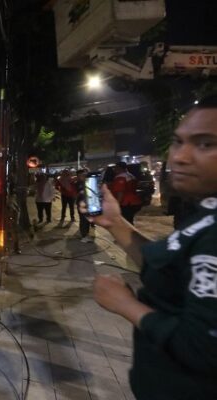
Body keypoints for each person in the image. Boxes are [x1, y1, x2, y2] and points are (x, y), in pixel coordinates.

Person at [87, 95, 217, 400]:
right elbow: (168, 267)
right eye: (177, 142)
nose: (180, 157)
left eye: (205, 144)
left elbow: (202, 349)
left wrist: (125, 305)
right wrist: (116, 223)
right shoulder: (203, 211)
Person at [74, 168, 95, 242]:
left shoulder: (85, 182)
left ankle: (85, 234)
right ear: (78, 176)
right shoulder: (78, 184)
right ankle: (84, 236)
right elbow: (79, 194)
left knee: (87, 220)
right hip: (82, 205)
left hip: (88, 204)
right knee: (83, 220)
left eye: (84, 175)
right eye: (81, 175)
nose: (84, 176)